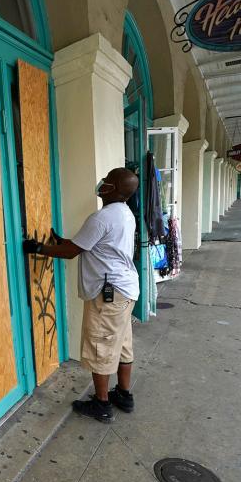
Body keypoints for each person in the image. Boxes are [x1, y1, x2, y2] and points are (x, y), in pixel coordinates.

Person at [23, 167, 140, 423]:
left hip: (108, 295)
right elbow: (88, 245)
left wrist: (39, 247)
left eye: (107, 181)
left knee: (100, 347)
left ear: (114, 189)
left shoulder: (101, 217)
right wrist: (63, 241)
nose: (102, 184)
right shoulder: (125, 214)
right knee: (121, 344)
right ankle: (123, 395)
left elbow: (71, 252)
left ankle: (102, 404)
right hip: (125, 291)